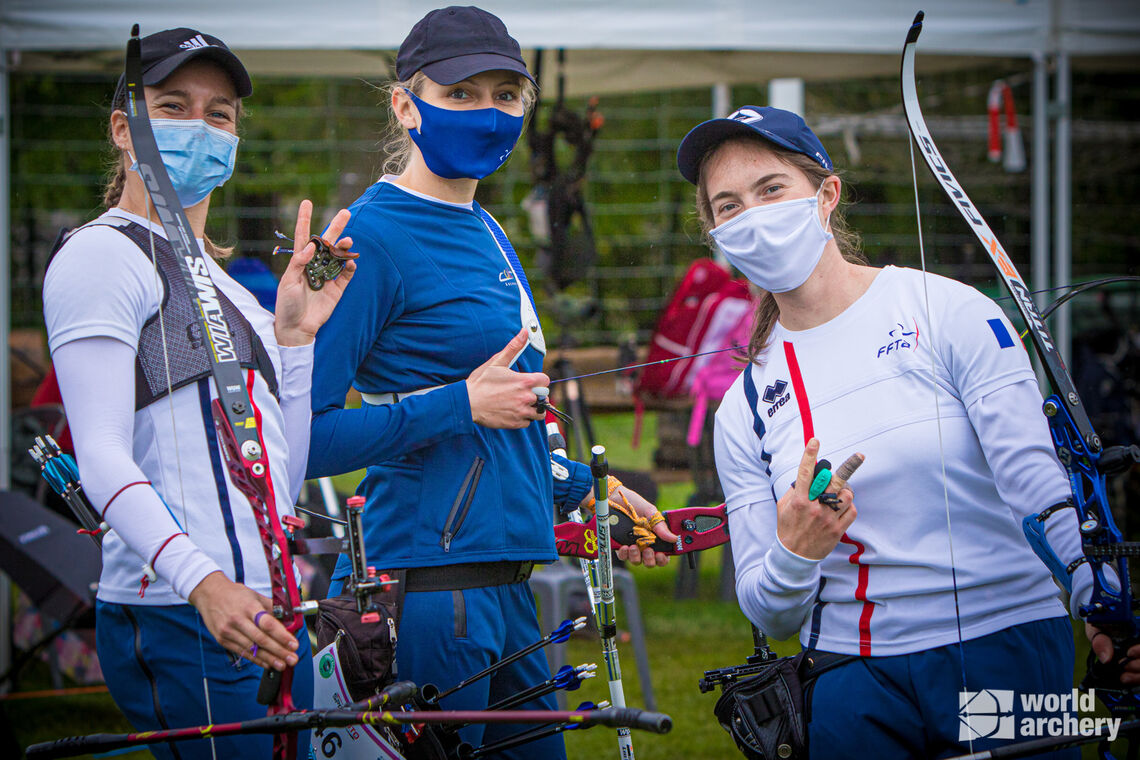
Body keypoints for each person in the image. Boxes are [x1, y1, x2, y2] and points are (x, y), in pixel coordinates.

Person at [674, 105, 1119, 758]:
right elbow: (769, 613)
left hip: (1008, 647)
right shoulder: (743, 408)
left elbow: (1033, 479)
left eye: (771, 189)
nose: (754, 216)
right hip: (853, 678)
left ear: (826, 194)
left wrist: (1098, 595)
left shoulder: (949, 310)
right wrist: (797, 551)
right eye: (728, 205)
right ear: (714, 231)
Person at [307, 6, 675, 757]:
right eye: (461, 93)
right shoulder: (364, 238)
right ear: (405, 105)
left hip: (509, 587)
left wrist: (584, 490)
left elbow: (504, 423)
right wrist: (459, 403)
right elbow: (300, 438)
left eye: (507, 95)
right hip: (426, 594)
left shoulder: (486, 225)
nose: (489, 114)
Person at [42, 28, 356, 759]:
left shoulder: (238, 297)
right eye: (173, 106)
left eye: (219, 115)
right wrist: (204, 583)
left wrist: (298, 340)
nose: (200, 127)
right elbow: (100, 457)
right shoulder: (100, 255)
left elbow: (284, 472)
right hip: (182, 611)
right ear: (125, 128)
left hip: (268, 610)